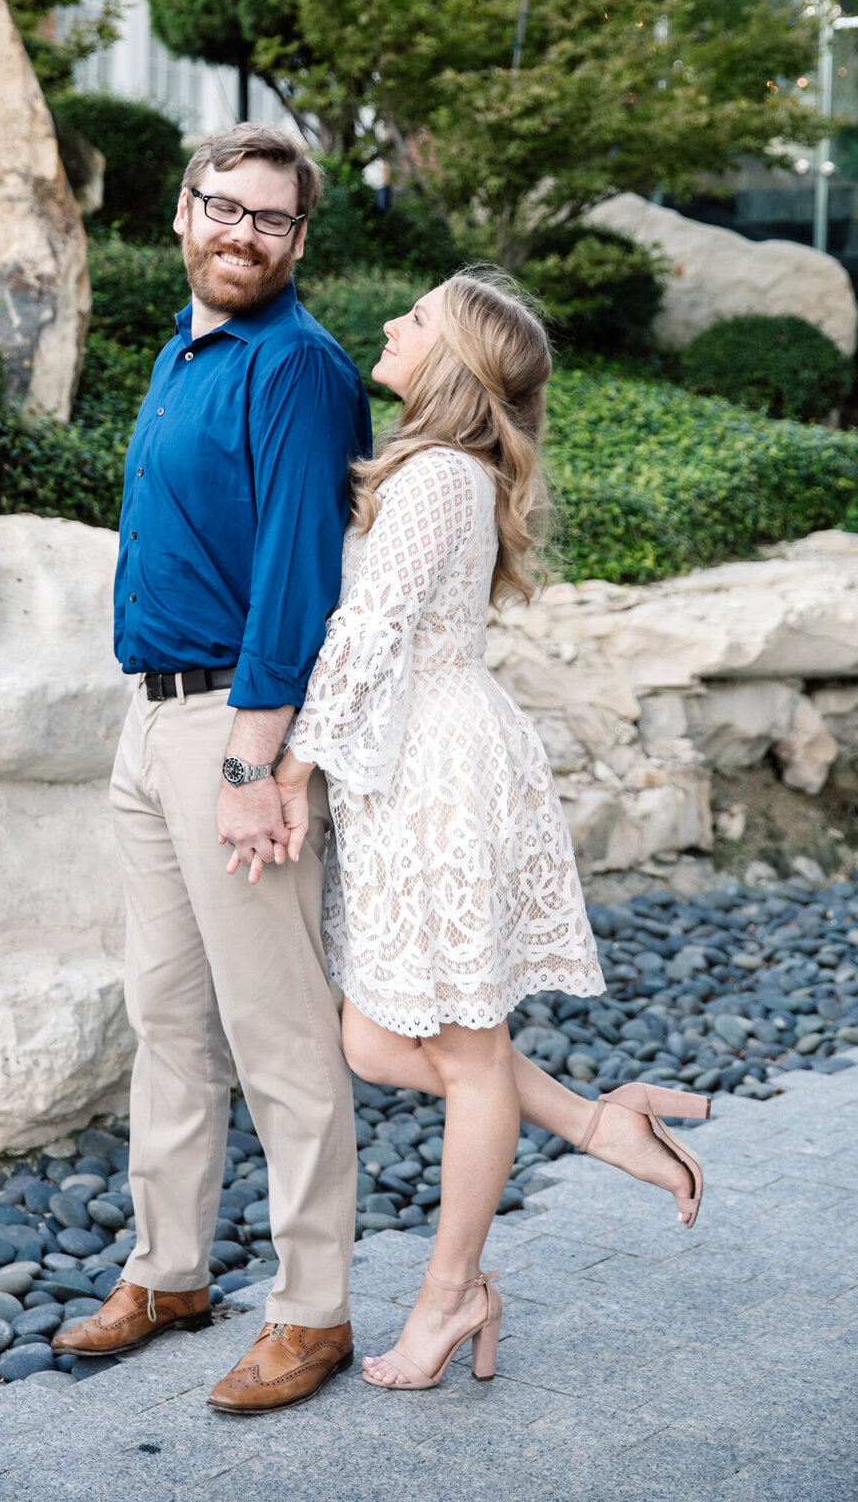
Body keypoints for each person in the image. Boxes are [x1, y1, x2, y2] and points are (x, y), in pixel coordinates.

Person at [272, 269, 710, 1393]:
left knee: (464, 1057)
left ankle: (453, 1293)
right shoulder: (450, 476)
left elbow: (365, 640)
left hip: (437, 772)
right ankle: (602, 1125)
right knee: (376, 1040)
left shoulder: (435, 481)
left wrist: (284, 769)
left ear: (452, 359)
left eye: (414, 319)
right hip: (419, 765)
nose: (391, 324)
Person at [53, 124, 372, 1414]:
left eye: (271, 221)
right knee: (166, 1017)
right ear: (182, 215)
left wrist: (256, 758)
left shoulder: (297, 368)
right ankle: (170, 1270)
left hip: (237, 734)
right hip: (151, 724)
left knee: (279, 1030)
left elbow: (299, 572)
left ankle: (312, 1311)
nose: (243, 235)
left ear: (300, 242)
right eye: (224, 210)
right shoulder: (185, 348)